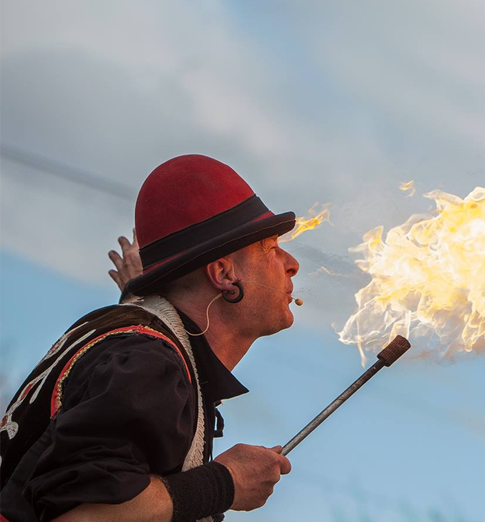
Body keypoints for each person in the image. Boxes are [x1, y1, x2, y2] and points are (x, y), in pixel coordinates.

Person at [2, 155, 299, 522]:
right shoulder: (146, 363)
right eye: (270, 248)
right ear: (224, 274)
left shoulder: (131, 343)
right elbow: (80, 517)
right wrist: (225, 482)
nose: (291, 263)